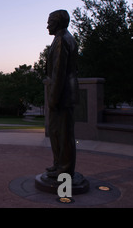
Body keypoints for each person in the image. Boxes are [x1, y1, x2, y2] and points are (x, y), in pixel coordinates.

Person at [45, 9, 79, 178]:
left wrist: (53, 97)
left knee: (64, 134)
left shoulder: (62, 40)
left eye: (49, 22)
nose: (47, 26)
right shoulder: (64, 38)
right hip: (63, 93)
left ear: (57, 23)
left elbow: (59, 72)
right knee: (56, 132)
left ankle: (65, 170)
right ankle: (58, 164)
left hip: (63, 94)